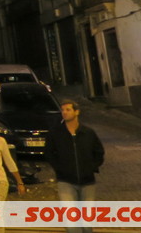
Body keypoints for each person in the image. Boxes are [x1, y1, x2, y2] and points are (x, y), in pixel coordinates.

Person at [45, 100, 105, 233]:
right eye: (63, 110)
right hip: (66, 181)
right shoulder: (56, 133)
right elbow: (49, 153)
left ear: (76, 112)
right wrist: (59, 168)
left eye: (68, 110)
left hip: (87, 181)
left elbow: (99, 152)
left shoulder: (88, 132)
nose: (64, 113)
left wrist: (91, 167)